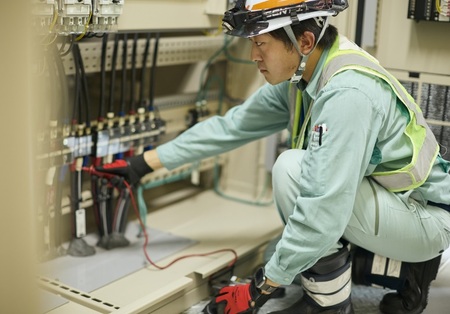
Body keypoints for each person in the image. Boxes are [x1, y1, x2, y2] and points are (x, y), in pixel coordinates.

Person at [96, 1, 450, 313]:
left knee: (292, 173)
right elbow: (231, 127)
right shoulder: (304, 76)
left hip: (424, 216)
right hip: (394, 205)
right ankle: (405, 271)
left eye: (261, 43)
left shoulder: (347, 95)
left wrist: (257, 290)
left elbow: (323, 209)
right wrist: (142, 164)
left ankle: (331, 307)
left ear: (304, 41)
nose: (253, 56)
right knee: (284, 255)